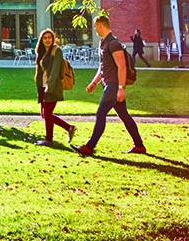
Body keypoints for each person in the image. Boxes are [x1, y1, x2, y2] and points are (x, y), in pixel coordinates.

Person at [74, 13, 146, 156]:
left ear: (101, 26)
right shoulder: (104, 43)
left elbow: (122, 67)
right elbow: (102, 66)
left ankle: (89, 147)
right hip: (109, 84)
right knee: (124, 115)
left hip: (114, 86)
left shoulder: (113, 43)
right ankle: (139, 146)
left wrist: (121, 88)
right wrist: (94, 82)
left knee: (100, 113)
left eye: (95, 27)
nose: (94, 30)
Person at [33, 29, 75, 146]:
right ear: (41, 40)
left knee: (47, 113)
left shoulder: (56, 51)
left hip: (52, 86)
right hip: (43, 86)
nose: (47, 40)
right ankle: (69, 128)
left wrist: (49, 87)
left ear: (53, 38)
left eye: (49, 38)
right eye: (45, 38)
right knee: (45, 114)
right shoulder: (42, 52)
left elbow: (55, 71)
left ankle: (49, 139)